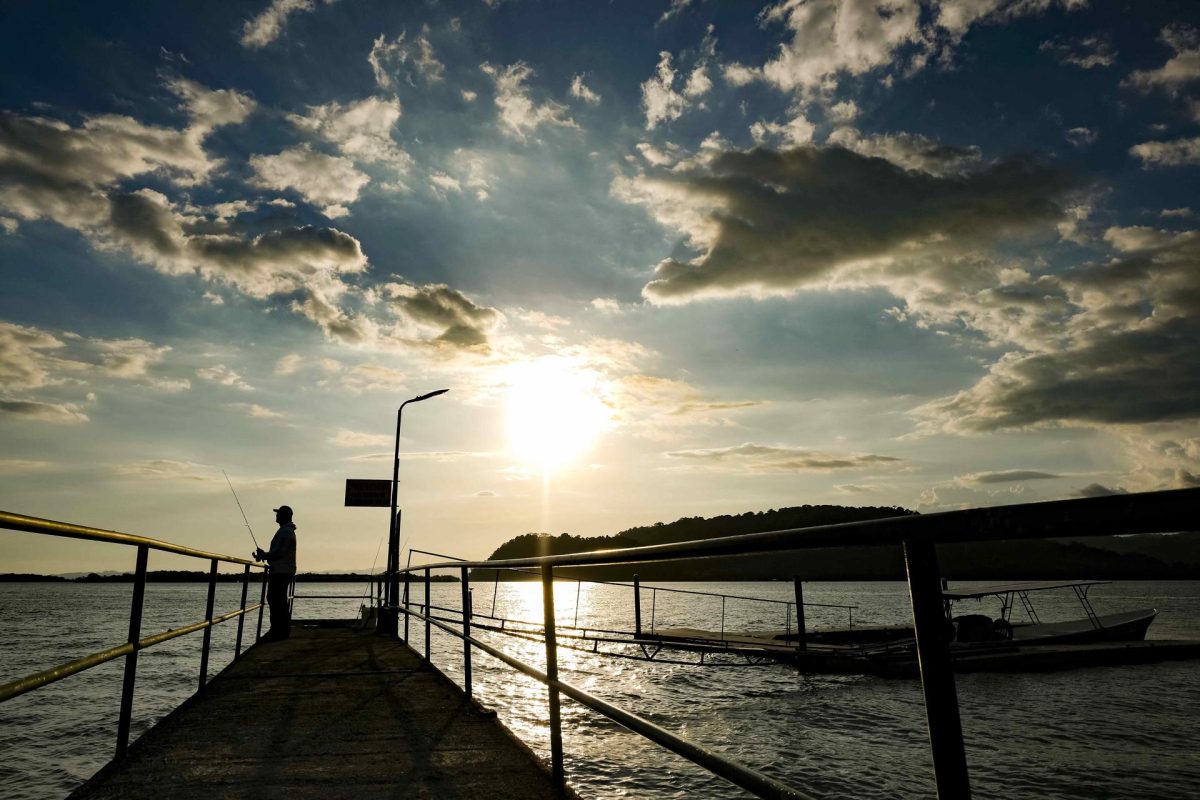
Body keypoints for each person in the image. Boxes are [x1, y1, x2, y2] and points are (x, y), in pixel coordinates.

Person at [255, 505, 297, 641]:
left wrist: (264, 555)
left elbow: (279, 553)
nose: (276, 515)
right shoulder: (287, 531)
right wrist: (265, 555)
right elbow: (278, 552)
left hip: (281, 571)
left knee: (276, 600)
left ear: (283, 516)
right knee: (278, 600)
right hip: (283, 570)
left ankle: (278, 631)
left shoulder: (285, 532)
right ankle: (281, 630)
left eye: (278, 514)